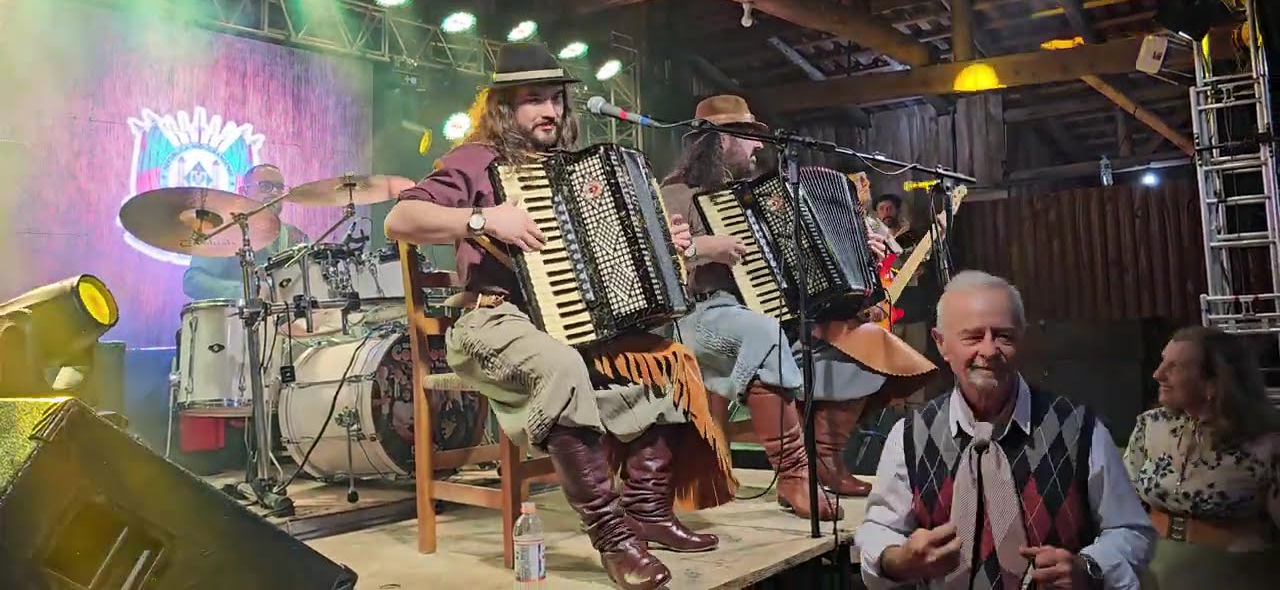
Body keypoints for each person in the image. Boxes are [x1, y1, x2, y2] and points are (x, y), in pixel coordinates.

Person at [384, 43, 734, 590]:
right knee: (562, 367)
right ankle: (612, 538)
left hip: (569, 325)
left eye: (555, 100)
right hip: (490, 321)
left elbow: (613, 262)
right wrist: (483, 219)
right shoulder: (475, 159)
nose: (550, 111)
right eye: (533, 101)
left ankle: (647, 510)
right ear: (503, 107)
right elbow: (400, 219)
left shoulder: (575, 171)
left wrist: (670, 242)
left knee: (668, 362)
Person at [660, 94, 935, 519]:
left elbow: (803, 256)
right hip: (702, 313)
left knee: (868, 344)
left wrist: (860, 245)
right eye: (747, 138)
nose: (757, 147)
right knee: (762, 334)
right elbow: (658, 260)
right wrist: (701, 247)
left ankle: (827, 458)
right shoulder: (677, 191)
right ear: (717, 141)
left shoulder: (757, 194)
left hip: (768, 311)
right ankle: (793, 477)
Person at [856, 270, 1155, 590]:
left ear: (1022, 340)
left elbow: (1132, 531)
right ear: (941, 344)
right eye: (972, 336)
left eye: (1003, 336)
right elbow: (879, 529)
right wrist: (897, 560)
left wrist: (1088, 567)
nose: (988, 350)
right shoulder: (908, 436)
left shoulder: (1081, 429)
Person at [1123, 325, 1280, 589]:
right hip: (1154, 570)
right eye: (1162, 361)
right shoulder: (1150, 426)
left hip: (1234, 574)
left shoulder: (1268, 441)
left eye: (1175, 367)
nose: (1157, 374)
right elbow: (1125, 502)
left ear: (1214, 382)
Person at [182, 163, 307, 300]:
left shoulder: (295, 236)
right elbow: (193, 281)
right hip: (235, 318)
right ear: (243, 192)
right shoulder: (223, 231)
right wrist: (246, 292)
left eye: (279, 188)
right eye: (266, 186)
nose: (274, 193)